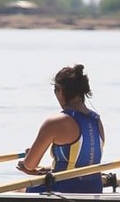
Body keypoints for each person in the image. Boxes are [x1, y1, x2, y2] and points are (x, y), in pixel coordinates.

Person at [16, 64, 105, 193]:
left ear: (60, 90)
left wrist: (28, 161)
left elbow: (29, 165)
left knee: (16, 191)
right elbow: (83, 163)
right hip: (95, 188)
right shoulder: (97, 121)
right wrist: (47, 169)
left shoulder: (55, 122)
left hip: (64, 188)